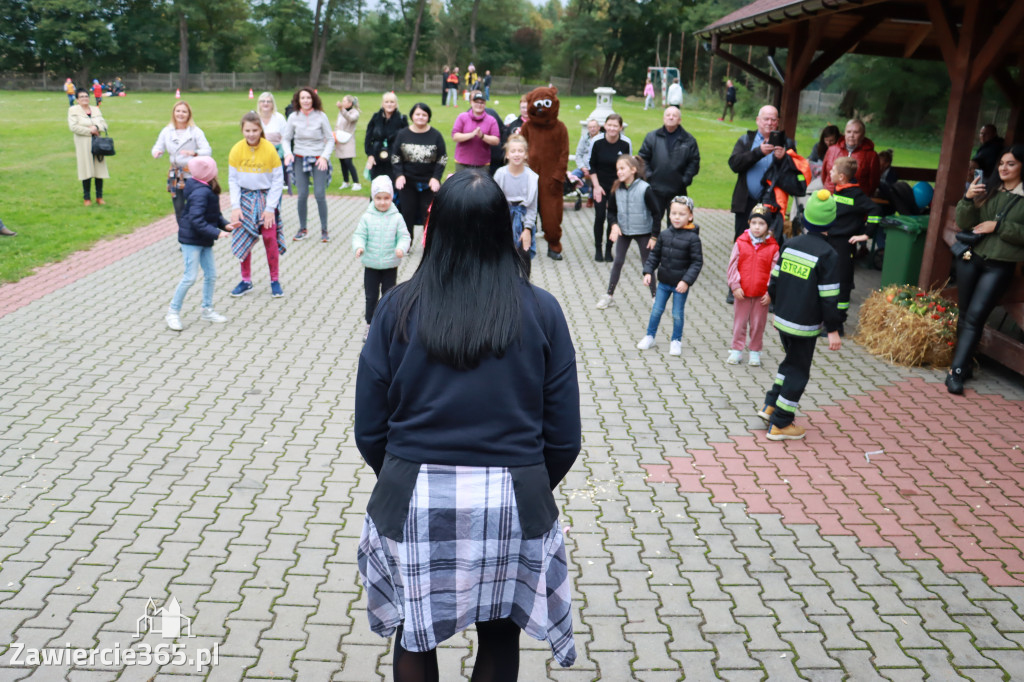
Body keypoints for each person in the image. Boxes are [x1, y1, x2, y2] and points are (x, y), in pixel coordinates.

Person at [354, 171, 580, 679]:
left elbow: (369, 428)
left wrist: (400, 476)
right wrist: (523, 480)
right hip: (512, 498)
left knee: (417, 632)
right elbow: (565, 438)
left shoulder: (396, 307)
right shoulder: (543, 311)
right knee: (501, 635)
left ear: (438, 231)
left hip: (414, 493)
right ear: (504, 228)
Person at [758, 189, 842, 441]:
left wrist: (773, 303)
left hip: (783, 320)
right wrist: (834, 329)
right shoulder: (829, 255)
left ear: (804, 220)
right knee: (799, 371)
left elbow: (774, 280)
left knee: (789, 363)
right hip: (804, 326)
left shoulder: (790, 244)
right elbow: (829, 298)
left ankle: (771, 405)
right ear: (831, 224)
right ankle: (781, 423)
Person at [947, 145, 1024, 395]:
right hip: (971, 257)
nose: (1003, 167)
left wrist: (999, 227)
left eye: (1010, 163)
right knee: (965, 314)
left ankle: (956, 372)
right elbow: (965, 222)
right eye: (1001, 163)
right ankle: (964, 364)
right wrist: (968, 198)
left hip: (1000, 265)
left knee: (976, 317)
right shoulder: (989, 189)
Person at [165, 156, 237, 332]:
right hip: (191, 240)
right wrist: (216, 233)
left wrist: (225, 225)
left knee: (211, 275)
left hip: (203, 238)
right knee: (189, 277)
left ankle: (207, 309)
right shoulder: (200, 192)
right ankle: (172, 312)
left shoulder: (207, 188)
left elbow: (214, 214)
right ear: (209, 173)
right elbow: (196, 219)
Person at [227, 112, 286, 299]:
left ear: (260, 129)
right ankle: (246, 281)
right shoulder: (236, 150)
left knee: (270, 239)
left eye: (254, 130)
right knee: (243, 239)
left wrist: (270, 209)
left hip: (265, 199)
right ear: (242, 130)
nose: (251, 134)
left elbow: (278, 180)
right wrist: (235, 206)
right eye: (247, 130)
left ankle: (274, 280)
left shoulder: (269, 149)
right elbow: (233, 180)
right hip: (244, 199)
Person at [637, 195, 703, 356]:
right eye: (673, 213)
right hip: (663, 283)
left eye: (681, 214)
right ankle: (650, 336)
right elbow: (654, 256)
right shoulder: (664, 234)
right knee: (656, 310)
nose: (677, 217)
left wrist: (686, 281)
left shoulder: (693, 238)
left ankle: (676, 341)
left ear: (690, 216)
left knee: (677, 314)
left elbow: (697, 263)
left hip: (680, 285)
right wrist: (648, 272)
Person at [826, 157, 882, 333]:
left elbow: (875, 210)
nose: (830, 173)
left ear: (842, 176)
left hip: (845, 245)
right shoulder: (839, 190)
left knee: (843, 282)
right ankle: (827, 318)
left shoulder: (855, 194)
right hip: (831, 241)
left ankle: (838, 325)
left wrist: (866, 234)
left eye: (832, 171)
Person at [595, 155, 659, 309]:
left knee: (647, 265)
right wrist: (614, 225)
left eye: (622, 168)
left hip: (643, 232)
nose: (619, 172)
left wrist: (654, 236)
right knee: (618, 262)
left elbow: (657, 213)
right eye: (617, 169)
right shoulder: (616, 189)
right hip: (624, 231)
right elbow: (611, 212)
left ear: (633, 170)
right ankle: (609, 295)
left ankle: (655, 297)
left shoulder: (645, 188)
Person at [352, 175, 409, 341]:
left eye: (386, 198)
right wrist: (359, 246)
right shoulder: (367, 217)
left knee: (388, 296)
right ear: (373, 198)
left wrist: (401, 248)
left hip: (390, 265)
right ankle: (369, 325)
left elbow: (404, 236)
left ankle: (387, 325)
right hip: (371, 265)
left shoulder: (397, 217)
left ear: (391, 197)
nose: (382, 202)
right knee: (371, 297)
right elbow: (359, 235)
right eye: (378, 198)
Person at [727, 204, 780, 367]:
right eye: (754, 223)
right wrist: (735, 286)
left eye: (762, 224)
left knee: (758, 324)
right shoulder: (741, 243)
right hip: (742, 292)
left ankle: (755, 351)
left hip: (761, 295)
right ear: (749, 223)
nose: (757, 227)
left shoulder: (773, 247)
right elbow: (732, 266)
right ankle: (737, 349)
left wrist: (770, 292)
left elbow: (775, 271)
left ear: (767, 226)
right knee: (740, 322)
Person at [283, 87, 335, 242]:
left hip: (318, 158)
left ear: (313, 99)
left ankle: (324, 230)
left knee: (319, 194)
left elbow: (330, 139)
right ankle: (302, 228)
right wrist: (288, 153)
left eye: (308, 98)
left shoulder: (321, 116)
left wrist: (324, 157)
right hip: (299, 158)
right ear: (298, 101)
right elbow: (286, 138)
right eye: (302, 98)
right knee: (302, 195)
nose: (305, 100)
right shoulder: (293, 117)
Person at [638, 106, 701, 229]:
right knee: (652, 224)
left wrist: (685, 179)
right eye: (668, 115)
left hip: (677, 190)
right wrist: (650, 176)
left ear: (679, 120)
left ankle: (671, 248)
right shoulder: (652, 137)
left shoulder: (688, 140)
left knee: (675, 225)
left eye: (674, 115)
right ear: (663, 118)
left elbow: (694, 162)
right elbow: (642, 158)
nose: (671, 117)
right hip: (655, 189)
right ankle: (652, 248)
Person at [392, 102, 447, 244]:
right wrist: (399, 175)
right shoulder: (403, 134)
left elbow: (442, 157)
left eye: (424, 115)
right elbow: (395, 156)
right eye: (417, 114)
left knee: (428, 214)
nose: (421, 117)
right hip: (408, 182)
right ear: (412, 116)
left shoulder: (435, 135)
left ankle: (428, 244)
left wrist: (436, 177)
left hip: (428, 183)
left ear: (428, 117)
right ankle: (406, 242)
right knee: (407, 213)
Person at [151, 100, 213, 222]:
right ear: (173, 113)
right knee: (179, 208)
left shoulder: (195, 131)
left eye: (184, 111)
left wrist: (194, 153)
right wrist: (157, 153)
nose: (180, 114)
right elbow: (158, 146)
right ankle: (184, 234)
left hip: (193, 175)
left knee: (195, 207)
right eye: (178, 111)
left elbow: (207, 150)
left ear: (189, 114)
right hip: (176, 174)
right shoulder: (167, 131)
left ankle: (197, 233)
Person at [493, 134, 539, 277]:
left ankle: (524, 287)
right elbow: (495, 203)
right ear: (507, 155)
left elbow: (532, 207)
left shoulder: (532, 177)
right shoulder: (500, 174)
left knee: (524, 255)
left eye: (520, 151)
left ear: (526, 155)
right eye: (513, 151)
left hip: (523, 219)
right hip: (504, 219)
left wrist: (527, 229)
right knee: (504, 258)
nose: (517, 154)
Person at [589, 114, 631, 262]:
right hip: (599, 185)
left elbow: (627, 167)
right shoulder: (597, 142)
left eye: (616, 126)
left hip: (617, 187)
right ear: (605, 126)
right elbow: (591, 166)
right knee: (600, 216)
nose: (612, 128)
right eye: (610, 125)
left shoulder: (625, 144)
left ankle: (609, 249)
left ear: (620, 128)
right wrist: (596, 186)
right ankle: (598, 249)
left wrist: (624, 187)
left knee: (613, 218)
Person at [68, 89, 109, 207]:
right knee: (86, 169)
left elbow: (104, 124)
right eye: (81, 97)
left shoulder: (96, 109)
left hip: (98, 143)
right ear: (77, 99)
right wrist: (89, 131)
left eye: (86, 96)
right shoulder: (73, 110)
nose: (84, 98)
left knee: (99, 169)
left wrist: (96, 127)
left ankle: (99, 197)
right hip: (83, 143)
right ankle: (87, 198)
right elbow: (74, 127)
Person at [822, 118, 881, 197]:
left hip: (856, 199)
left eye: (856, 132)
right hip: (830, 196)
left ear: (863, 135)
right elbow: (824, 174)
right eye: (849, 132)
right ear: (844, 133)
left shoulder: (871, 156)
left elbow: (873, 182)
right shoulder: (832, 150)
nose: (851, 135)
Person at [364, 91, 408, 187]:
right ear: (382, 104)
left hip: (394, 160)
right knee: (377, 188)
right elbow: (368, 139)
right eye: (387, 102)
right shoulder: (375, 118)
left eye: (392, 102)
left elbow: (406, 141)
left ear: (396, 104)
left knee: (394, 188)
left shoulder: (402, 119)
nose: (389, 104)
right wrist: (370, 155)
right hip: (377, 159)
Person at [452, 92, 499, 172]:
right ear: (471, 102)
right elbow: (455, 136)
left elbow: (496, 140)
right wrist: (471, 135)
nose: (479, 105)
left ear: (485, 104)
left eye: (482, 102)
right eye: (476, 102)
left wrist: (482, 136)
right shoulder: (462, 117)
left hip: (482, 164)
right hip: (462, 163)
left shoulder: (491, 120)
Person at [256, 92, 290, 195]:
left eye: (268, 101)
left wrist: (283, 152)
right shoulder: (255, 117)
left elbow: (285, 137)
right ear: (259, 104)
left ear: (272, 104)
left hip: (276, 153)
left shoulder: (279, 118)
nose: (266, 104)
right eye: (263, 101)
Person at [569, 119, 600, 202]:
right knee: (573, 176)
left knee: (599, 177)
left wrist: (592, 170)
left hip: (597, 168)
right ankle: (588, 190)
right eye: (590, 127)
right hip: (584, 167)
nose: (592, 129)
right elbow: (578, 154)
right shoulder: (584, 139)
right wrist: (583, 167)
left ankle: (591, 198)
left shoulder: (601, 139)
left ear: (599, 128)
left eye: (594, 127)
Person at [335, 95, 362, 191]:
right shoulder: (341, 112)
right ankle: (345, 181)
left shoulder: (354, 113)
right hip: (340, 139)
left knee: (348, 162)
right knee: (342, 161)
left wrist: (342, 109)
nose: (342, 103)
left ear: (350, 103)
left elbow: (350, 118)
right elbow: (338, 124)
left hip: (348, 139)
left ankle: (357, 183)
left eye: (344, 101)